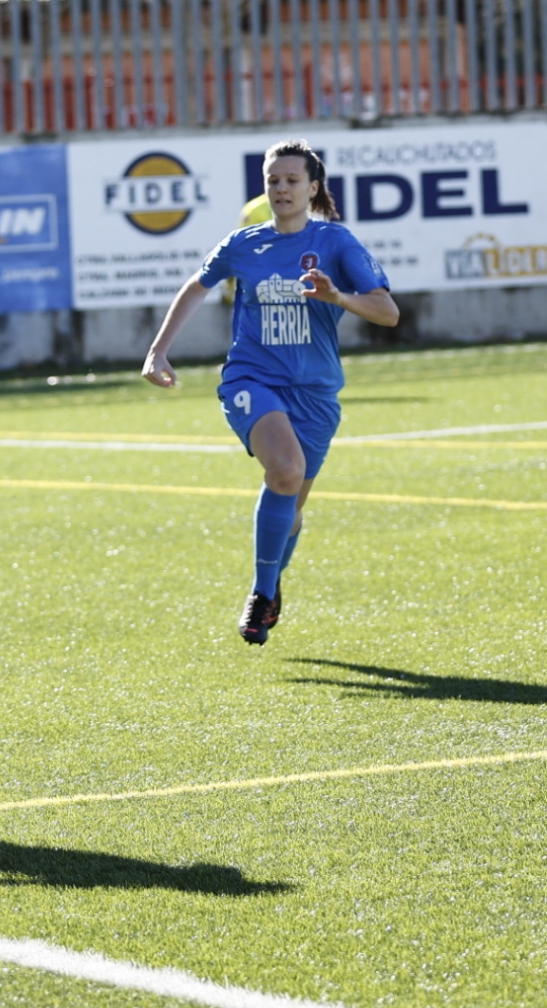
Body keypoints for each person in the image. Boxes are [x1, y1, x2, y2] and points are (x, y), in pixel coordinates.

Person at [141, 139, 399, 645]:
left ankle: (272, 584)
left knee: (294, 505)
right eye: (273, 181)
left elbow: (388, 312)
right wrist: (158, 351)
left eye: (291, 180)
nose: (281, 189)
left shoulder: (337, 243)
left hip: (317, 393)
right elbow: (198, 285)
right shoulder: (244, 243)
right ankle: (261, 594)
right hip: (251, 379)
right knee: (284, 468)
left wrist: (337, 296)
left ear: (313, 188)